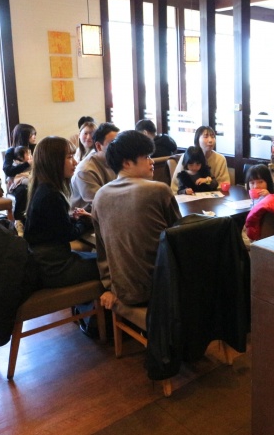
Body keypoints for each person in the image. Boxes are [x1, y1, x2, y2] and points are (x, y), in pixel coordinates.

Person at [92, 130, 182, 310]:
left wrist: (110, 287)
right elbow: (179, 236)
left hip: (122, 290)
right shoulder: (158, 190)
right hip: (159, 289)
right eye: (146, 157)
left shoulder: (100, 196)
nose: (152, 161)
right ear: (126, 163)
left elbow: (102, 250)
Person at [23, 136, 99, 288]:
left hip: (44, 262)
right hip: (54, 268)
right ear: (53, 161)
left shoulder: (42, 188)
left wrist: (73, 219)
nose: (75, 162)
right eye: (70, 157)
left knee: (101, 258)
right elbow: (68, 234)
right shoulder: (51, 195)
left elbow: (54, 227)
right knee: (111, 264)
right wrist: (84, 222)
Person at [71, 122, 119, 211]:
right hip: (85, 216)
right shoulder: (85, 170)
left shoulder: (117, 160)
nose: (119, 147)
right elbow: (101, 203)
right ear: (98, 146)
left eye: (120, 143)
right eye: (113, 143)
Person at [169, 126, 230, 193]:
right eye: (206, 137)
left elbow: (223, 184)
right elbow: (175, 186)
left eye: (213, 137)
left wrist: (208, 182)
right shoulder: (186, 157)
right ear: (197, 140)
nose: (210, 140)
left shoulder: (220, 159)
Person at [3, 123, 36, 223]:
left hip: (32, 178)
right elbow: (8, 170)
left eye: (35, 134)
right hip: (16, 182)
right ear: (24, 136)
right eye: (32, 134)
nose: (34, 137)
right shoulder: (11, 151)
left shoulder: (35, 148)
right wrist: (26, 164)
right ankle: (20, 219)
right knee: (23, 190)